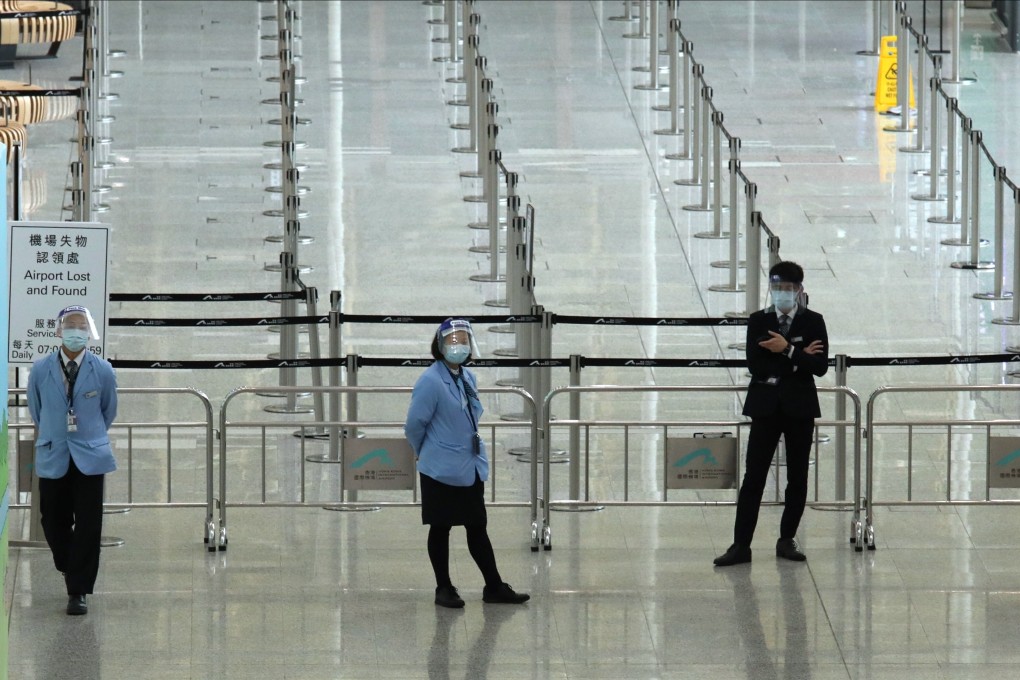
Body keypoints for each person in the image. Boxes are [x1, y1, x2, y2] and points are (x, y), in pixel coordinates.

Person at [405, 318, 530, 608]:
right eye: (452, 341)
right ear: (439, 345)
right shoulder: (430, 381)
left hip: (469, 466)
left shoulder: (467, 377)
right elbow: (414, 424)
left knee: (477, 525)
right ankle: (444, 588)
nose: (458, 346)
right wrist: (424, 450)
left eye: (463, 340)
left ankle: (494, 585)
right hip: (440, 468)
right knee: (440, 527)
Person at [714, 262, 828, 567]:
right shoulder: (758, 320)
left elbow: (819, 367)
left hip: (799, 409)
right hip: (765, 408)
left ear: (799, 291)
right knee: (754, 477)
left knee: (798, 476)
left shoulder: (813, 321)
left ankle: (787, 538)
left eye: (789, 289)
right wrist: (798, 357)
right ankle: (741, 545)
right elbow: (756, 365)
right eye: (777, 287)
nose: (782, 293)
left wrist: (786, 349)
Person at [27, 305, 118, 615]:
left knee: (89, 524)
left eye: (81, 326)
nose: (76, 331)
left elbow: (108, 411)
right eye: (70, 325)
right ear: (59, 331)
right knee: (52, 519)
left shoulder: (102, 369)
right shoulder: (40, 370)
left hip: (90, 454)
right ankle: (68, 565)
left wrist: (88, 436)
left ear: (88, 332)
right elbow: (36, 410)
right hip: (54, 451)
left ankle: (77, 590)